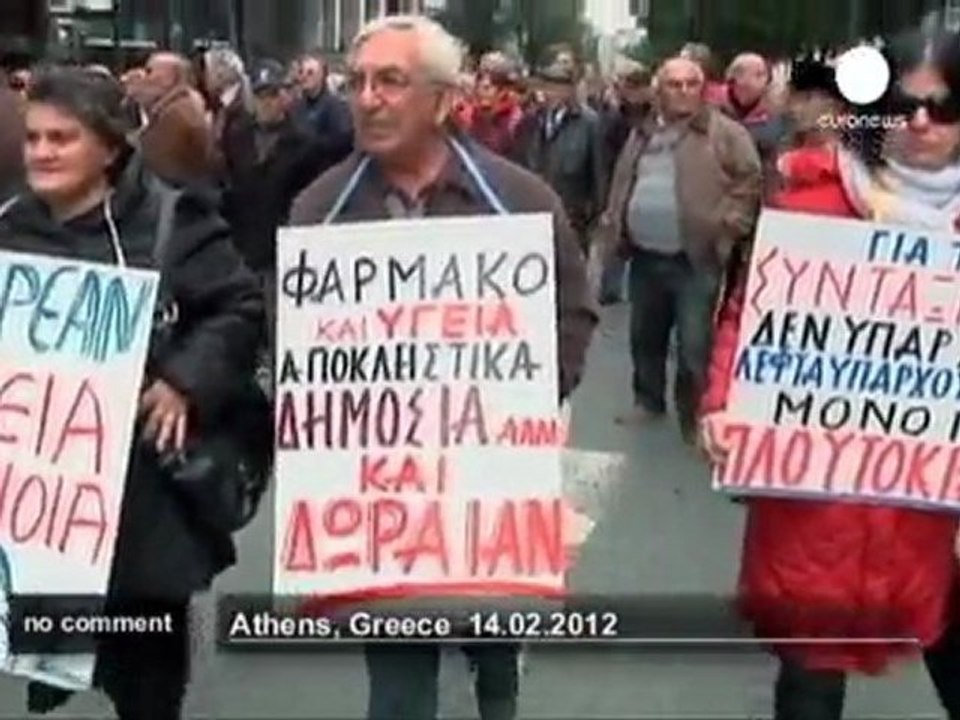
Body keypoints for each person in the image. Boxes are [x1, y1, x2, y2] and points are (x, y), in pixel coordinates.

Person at [290, 15, 597, 720]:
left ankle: (499, 677)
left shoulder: (520, 200)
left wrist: (519, 400)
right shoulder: (320, 212)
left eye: (391, 81)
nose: (367, 98)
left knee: (490, 632)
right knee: (396, 682)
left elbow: (573, 313)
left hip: (491, 476)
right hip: (383, 491)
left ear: (443, 98)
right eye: (358, 82)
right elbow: (295, 333)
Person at [700, 31, 960, 720]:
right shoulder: (810, 202)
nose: (923, 122)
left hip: (935, 505)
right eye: (906, 104)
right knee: (811, 677)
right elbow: (750, 315)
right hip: (817, 498)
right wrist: (723, 402)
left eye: (947, 106)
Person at [0, 67, 264, 720]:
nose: (41, 152)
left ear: (111, 147)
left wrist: (184, 382)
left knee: (145, 679)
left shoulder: (174, 223)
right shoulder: (9, 228)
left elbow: (239, 308)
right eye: (34, 138)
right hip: (43, 510)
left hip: (146, 513)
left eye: (62, 138)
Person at [602, 56, 762, 443]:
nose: (684, 92)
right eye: (675, 84)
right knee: (645, 335)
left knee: (694, 344)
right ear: (660, 90)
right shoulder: (643, 133)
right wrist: (615, 222)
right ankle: (648, 401)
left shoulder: (724, 132)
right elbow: (624, 178)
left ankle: (694, 419)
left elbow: (750, 181)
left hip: (696, 258)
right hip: (644, 255)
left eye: (692, 84)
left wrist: (727, 228)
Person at [220, 59, 322, 355]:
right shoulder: (237, 134)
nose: (267, 103)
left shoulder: (305, 142)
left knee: (280, 326)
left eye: (274, 95)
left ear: (286, 96)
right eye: (262, 95)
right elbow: (227, 181)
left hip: (280, 250)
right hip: (241, 244)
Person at [515, 59, 608, 257]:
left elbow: (599, 175)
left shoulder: (589, 124)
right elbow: (520, 164)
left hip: (573, 219)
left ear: (570, 90)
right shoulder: (530, 122)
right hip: (535, 217)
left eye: (559, 86)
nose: (552, 92)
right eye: (548, 85)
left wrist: (593, 219)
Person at [138, 52, 216, 186]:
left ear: (168, 78)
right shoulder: (181, 104)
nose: (142, 78)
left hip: (178, 196)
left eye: (149, 71)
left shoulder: (177, 114)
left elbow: (154, 160)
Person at [291, 50, 354, 174]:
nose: (304, 77)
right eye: (301, 72)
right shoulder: (296, 106)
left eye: (310, 73)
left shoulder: (336, 107)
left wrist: (311, 143)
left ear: (322, 75)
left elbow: (342, 143)